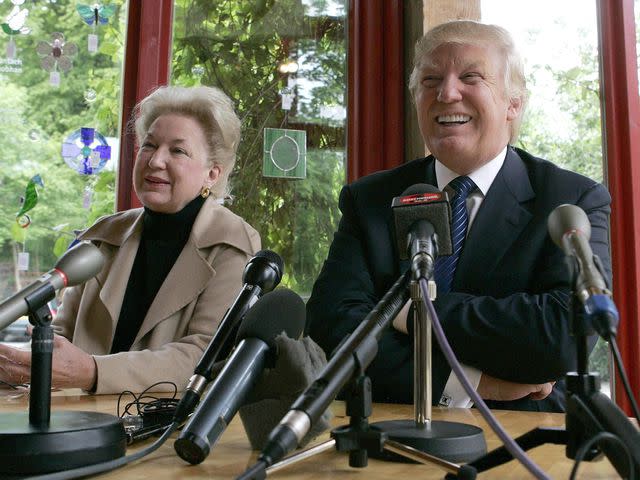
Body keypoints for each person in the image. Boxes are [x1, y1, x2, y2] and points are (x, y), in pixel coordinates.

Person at [306, 20, 611, 412]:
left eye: (471, 77)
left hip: (525, 444)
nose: (447, 93)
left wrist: (413, 312)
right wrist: (472, 383)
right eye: (430, 79)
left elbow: (566, 333)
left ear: (513, 103)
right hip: (389, 439)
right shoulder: (369, 200)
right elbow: (330, 332)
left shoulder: (571, 200)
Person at [0, 86, 260, 394]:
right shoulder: (104, 235)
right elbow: (61, 336)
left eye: (177, 151)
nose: (155, 161)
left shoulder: (234, 244)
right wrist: (20, 365)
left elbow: (204, 356)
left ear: (212, 174)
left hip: (159, 430)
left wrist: (93, 372)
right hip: (75, 421)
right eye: (149, 145)